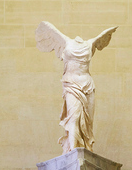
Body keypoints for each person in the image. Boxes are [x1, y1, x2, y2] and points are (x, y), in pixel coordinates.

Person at [35, 21, 117, 153]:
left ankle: (84, 148)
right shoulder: (66, 41)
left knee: (88, 122)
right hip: (71, 83)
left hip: (87, 84)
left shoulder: (90, 44)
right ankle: (73, 152)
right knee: (73, 117)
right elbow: (46, 28)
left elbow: (102, 37)